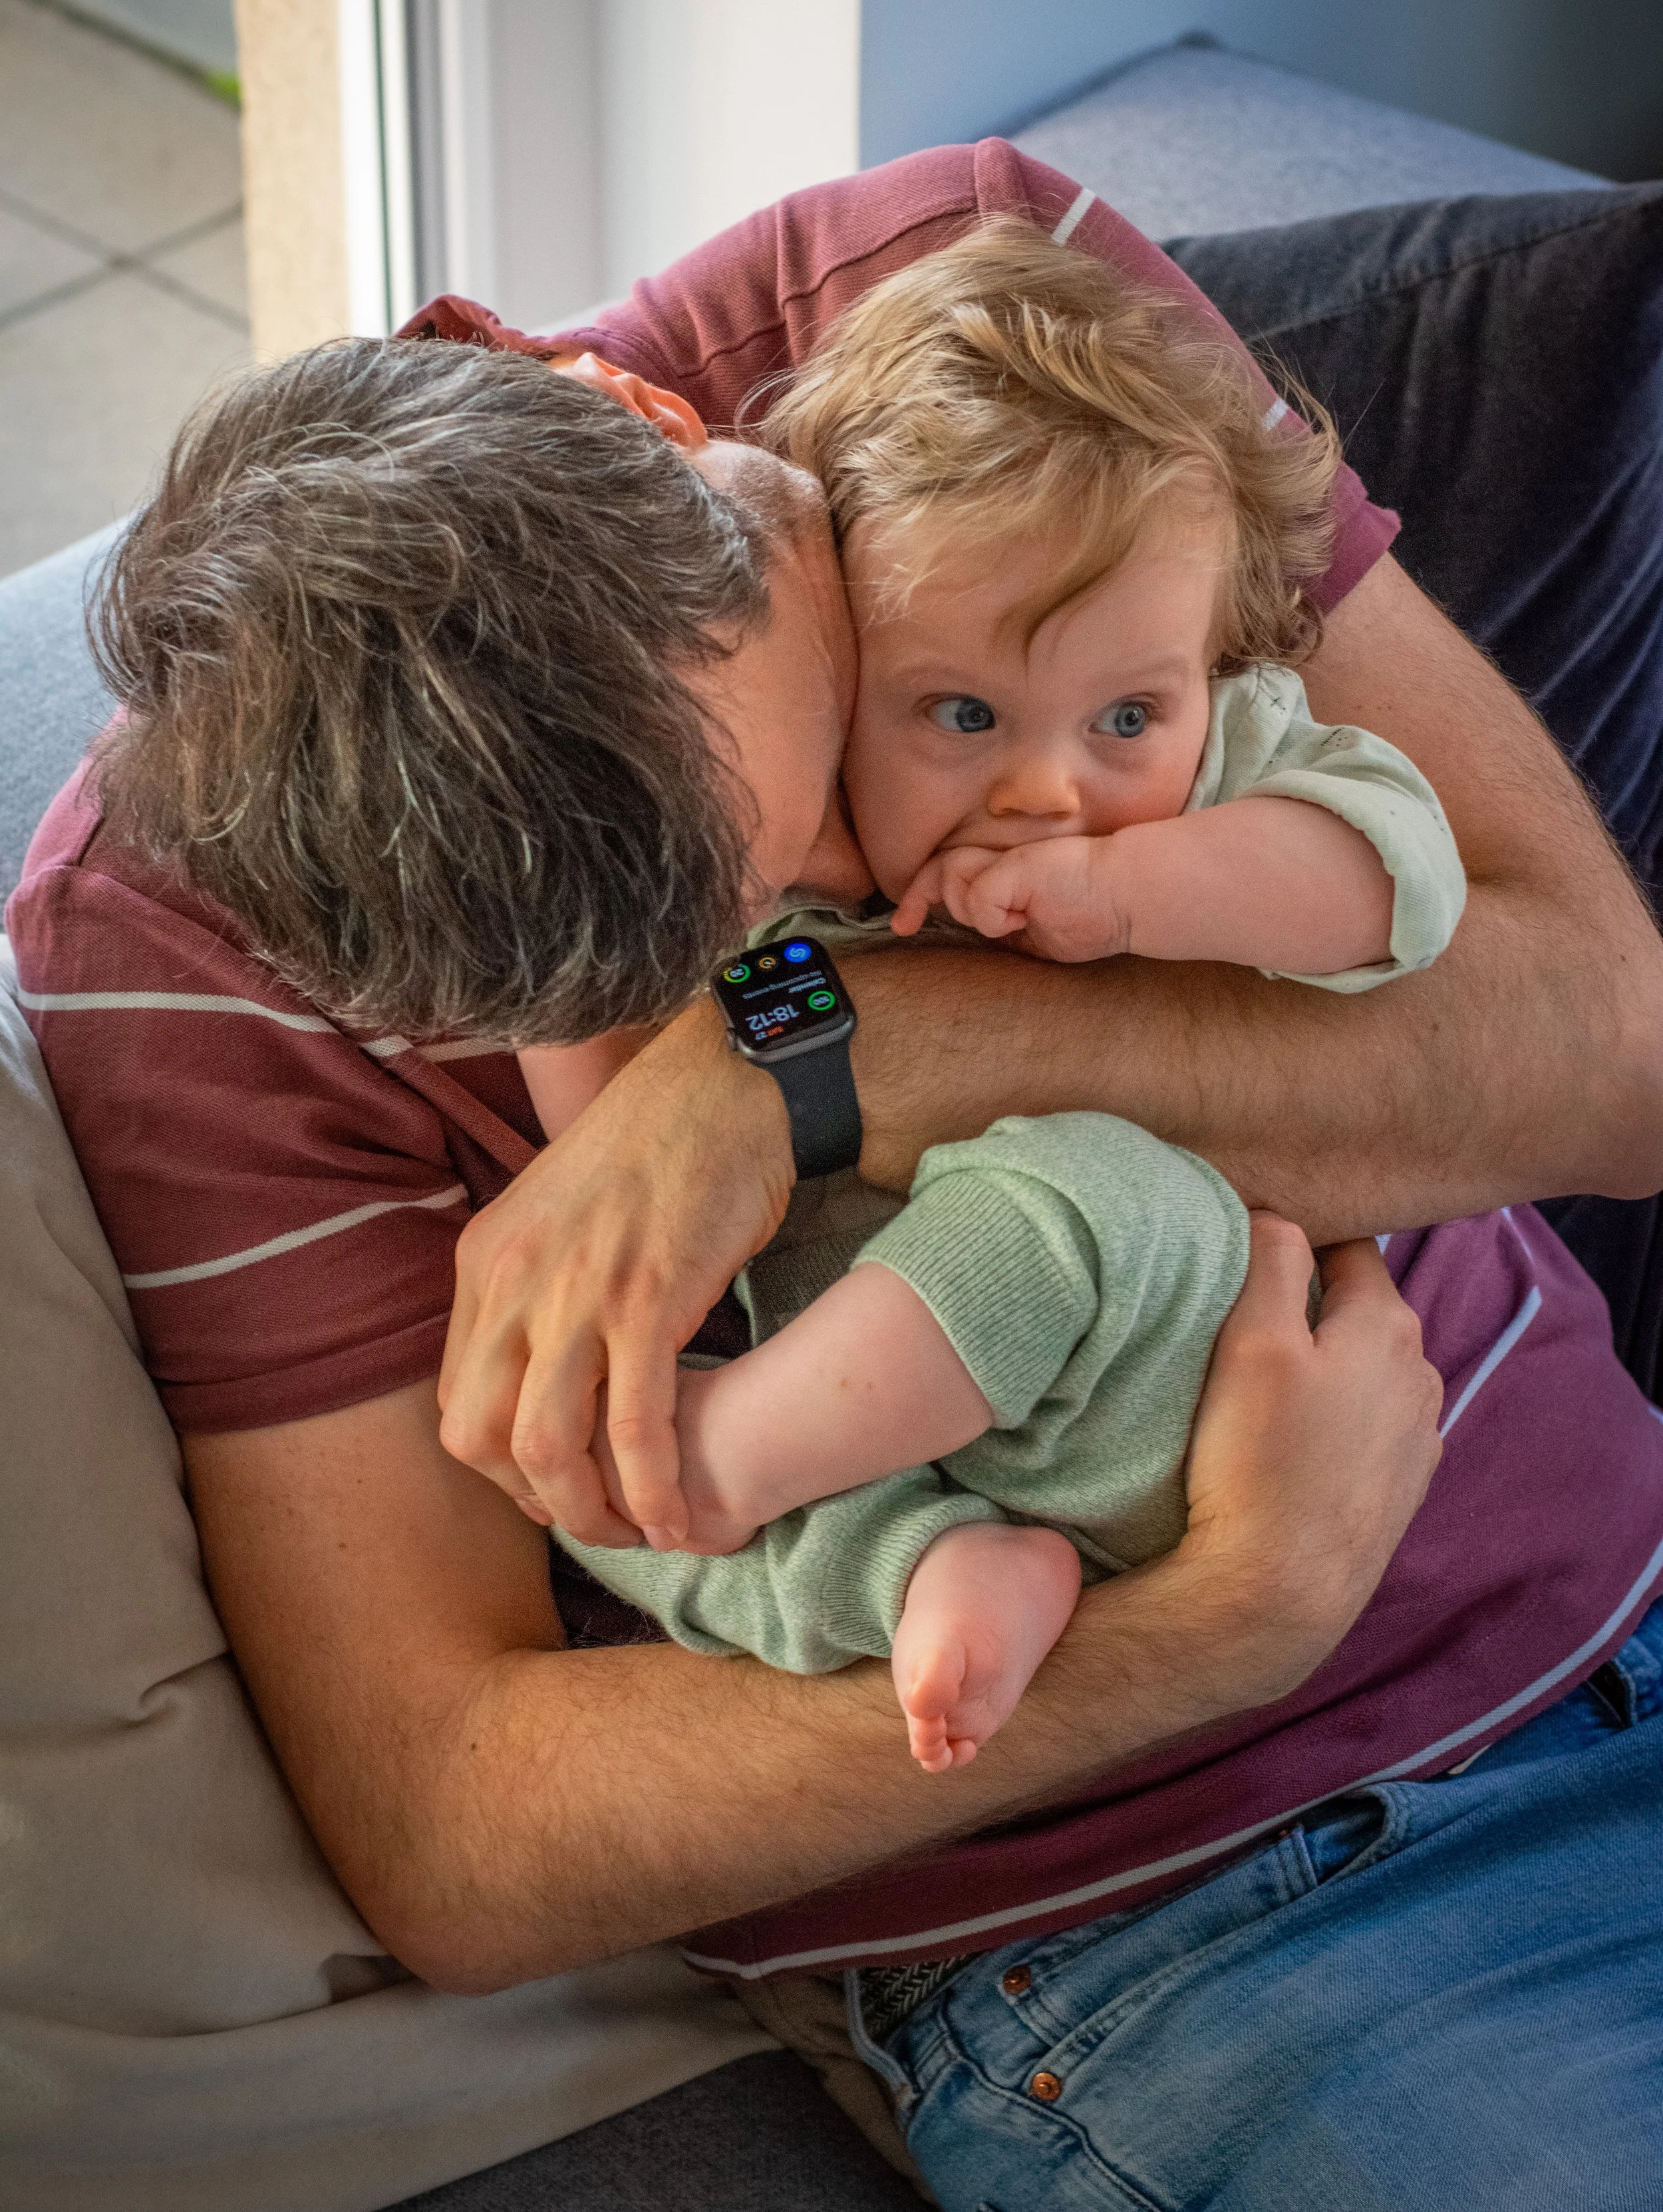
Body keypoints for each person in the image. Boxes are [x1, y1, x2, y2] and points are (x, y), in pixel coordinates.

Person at [8, 143, 1663, 2206]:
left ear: (653, 429)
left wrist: (806, 1053)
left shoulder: (975, 299)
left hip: (1631, 1556)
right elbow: (455, 1829)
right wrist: (1220, 1622)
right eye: (763, 918)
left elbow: (1620, 1052)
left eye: (845, 768)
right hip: (1208, 1930)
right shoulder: (169, 963)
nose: (898, 882)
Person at [531, 223, 1467, 1773]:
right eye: (960, 713)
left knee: (1082, 1187)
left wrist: (1137, 891)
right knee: (577, 1465)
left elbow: (1400, 878)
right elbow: (617, 1151)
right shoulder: (790, 908)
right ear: (839, 684)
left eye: (1124, 714)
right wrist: (572, 996)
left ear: (1206, 666)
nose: (1050, 788)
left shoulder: (1219, 781)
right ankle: (923, 1575)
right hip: (900, 1443)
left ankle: (740, 1460)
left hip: (1167, 1372)